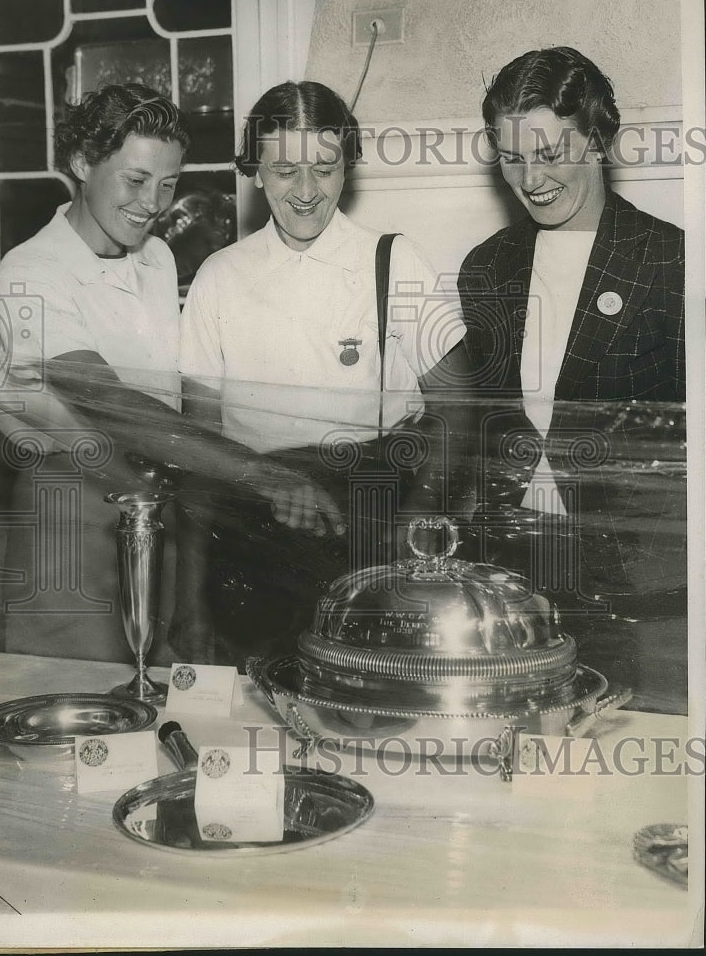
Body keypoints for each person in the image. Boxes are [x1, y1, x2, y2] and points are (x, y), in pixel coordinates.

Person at [0, 82, 342, 661]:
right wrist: (261, 474)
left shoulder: (155, 259)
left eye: (169, 183)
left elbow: (173, 408)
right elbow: (116, 406)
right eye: (135, 180)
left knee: (165, 706)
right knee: (76, 706)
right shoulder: (30, 271)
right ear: (82, 163)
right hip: (71, 517)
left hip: (155, 505)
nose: (153, 203)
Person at [173, 80, 476, 667]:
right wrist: (188, 602)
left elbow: (459, 407)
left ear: (348, 167)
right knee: (259, 716)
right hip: (251, 541)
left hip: (371, 534)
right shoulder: (220, 276)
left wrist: (410, 533)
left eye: (325, 167)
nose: (306, 191)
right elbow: (198, 455)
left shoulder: (395, 260)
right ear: (255, 170)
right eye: (284, 170)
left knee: (368, 713)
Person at [457, 47, 686, 699]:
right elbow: (484, 428)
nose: (531, 178)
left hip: (636, 588)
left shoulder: (668, 262)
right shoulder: (486, 268)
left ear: (598, 139)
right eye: (511, 157)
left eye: (550, 153)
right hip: (512, 578)